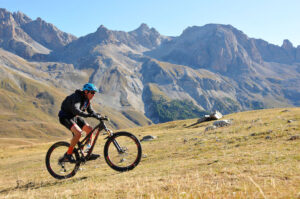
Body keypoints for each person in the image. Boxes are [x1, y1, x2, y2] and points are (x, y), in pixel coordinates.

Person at [58, 83, 102, 163]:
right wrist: (87, 115)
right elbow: (76, 109)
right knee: (78, 133)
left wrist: (99, 116)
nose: (93, 95)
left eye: (94, 93)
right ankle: (68, 154)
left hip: (75, 117)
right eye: (92, 92)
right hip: (65, 117)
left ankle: (87, 152)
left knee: (89, 129)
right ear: (86, 91)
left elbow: (91, 111)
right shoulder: (77, 97)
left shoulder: (87, 100)